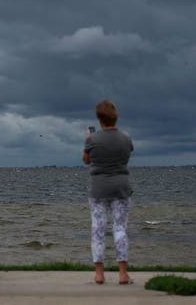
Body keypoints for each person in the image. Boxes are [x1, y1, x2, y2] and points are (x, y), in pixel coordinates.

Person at [83, 99, 134, 285]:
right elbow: (126, 156)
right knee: (120, 228)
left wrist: (87, 141)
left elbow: (86, 160)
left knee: (98, 228)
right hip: (121, 187)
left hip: (98, 188)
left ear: (99, 119)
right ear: (115, 118)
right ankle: (122, 273)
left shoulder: (92, 139)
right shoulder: (126, 138)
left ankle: (99, 273)